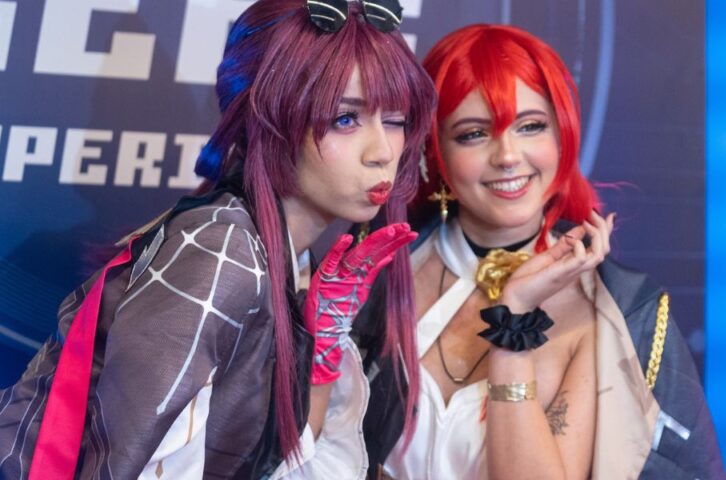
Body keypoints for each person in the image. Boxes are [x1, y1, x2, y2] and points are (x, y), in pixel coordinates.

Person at [0, 0, 435, 478]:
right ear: (268, 121)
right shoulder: (223, 253)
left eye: (395, 119)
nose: (382, 151)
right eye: (345, 119)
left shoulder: (277, 254)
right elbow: (121, 466)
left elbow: (283, 465)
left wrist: (323, 351)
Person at [359, 24, 725, 479]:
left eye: (530, 126)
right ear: (435, 151)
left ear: (562, 135)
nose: (508, 156)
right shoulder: (377, 272)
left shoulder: (607, 311)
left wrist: (514, 324)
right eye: (473, 134)